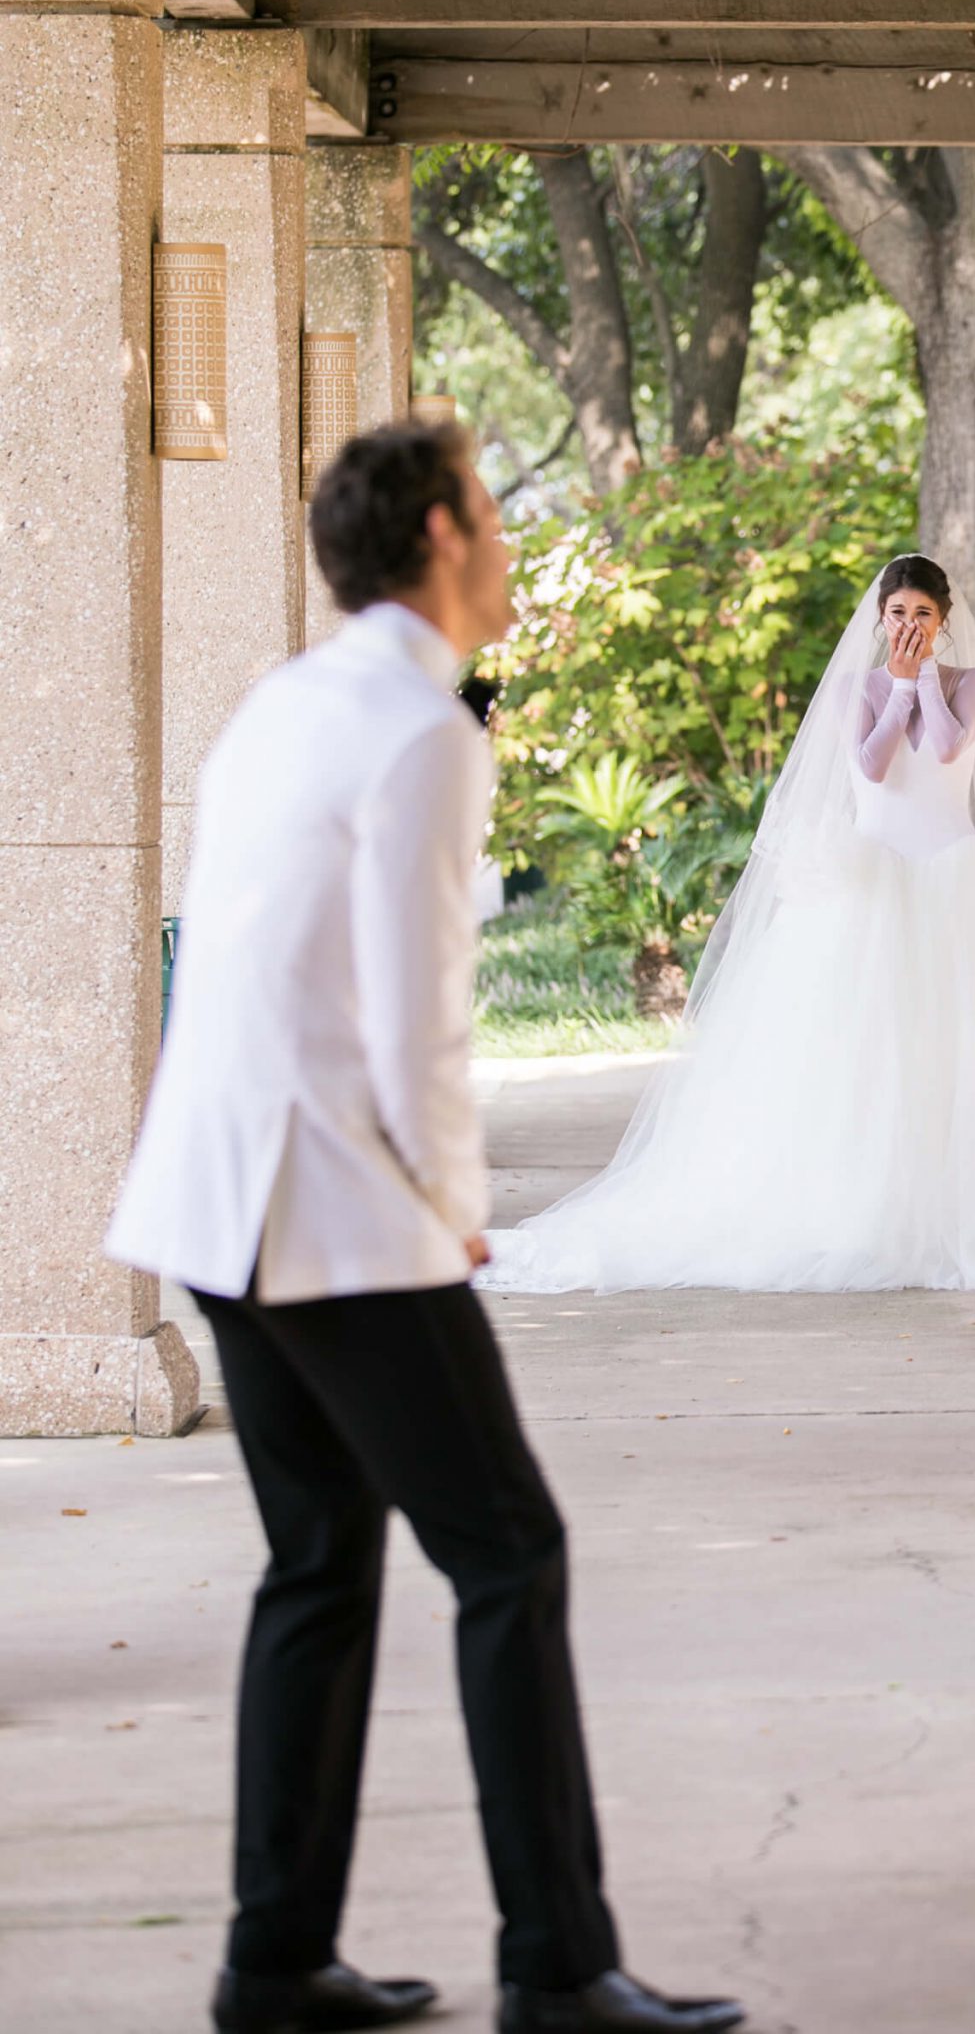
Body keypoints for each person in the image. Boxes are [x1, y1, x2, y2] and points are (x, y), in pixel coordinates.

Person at [106, 419, 743, 2034]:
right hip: (327, 1203)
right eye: (493, 508)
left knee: (318, 1564)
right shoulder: (421, 728)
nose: (511, 545)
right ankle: (555, 1969)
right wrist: (456, 1210)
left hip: (213, 1196)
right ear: (446, 532)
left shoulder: (285, 701)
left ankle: (271, 1964)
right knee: (508, 1550)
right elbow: (414, 1022)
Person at [483, 553, 975, 1296]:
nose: (908, 624)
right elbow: (874, 766)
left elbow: (951, 748)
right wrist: (899, 689)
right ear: (880, 620)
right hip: (870, 877)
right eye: (896, 613)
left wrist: (926, 686)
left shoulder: (972, 683)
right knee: (860, 1047)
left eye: (923, 614)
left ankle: (968, 1207)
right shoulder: (858, 687)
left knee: (965, 1046)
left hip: (958, 876)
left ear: (943, 620)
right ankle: (856, 1205)